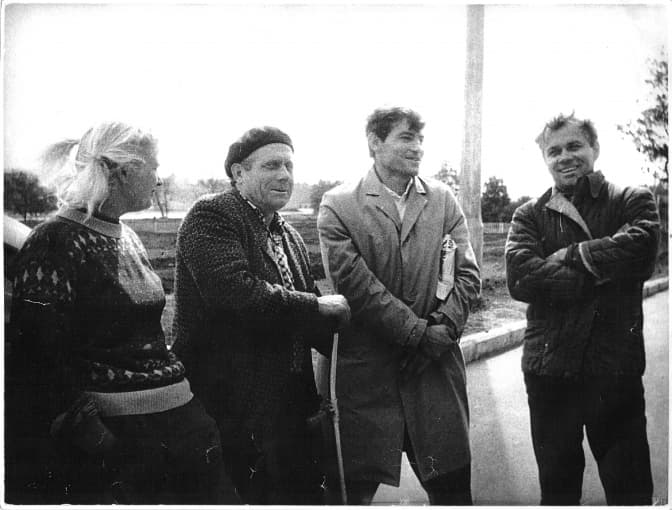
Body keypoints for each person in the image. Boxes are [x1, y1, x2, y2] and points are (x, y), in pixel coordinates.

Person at [6, 121, 238, 505]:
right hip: (128, 439)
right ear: (125, 172)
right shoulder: (54, 241)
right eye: (154, 167)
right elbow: (36, 358)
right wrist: (99, 440)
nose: (159, 179)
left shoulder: (126, 235)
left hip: (182, 427)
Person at [171, 126, 351, 504]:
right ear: (239, 173)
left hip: (289, 408)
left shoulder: (289, 235)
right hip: (230, 407)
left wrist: (359, 330)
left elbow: (312, 318)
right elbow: (235, 293)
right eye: (272, 165)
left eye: (289, 166)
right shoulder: (213, 214)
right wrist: (317, 306)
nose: (285, 175)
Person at [317, 106, 481, 505]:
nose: (418, 147)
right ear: (375, 142)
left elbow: (467, 275)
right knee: (349, 495)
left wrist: (443, 331)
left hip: (434, 374)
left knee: (453, 493)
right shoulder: (339, 204)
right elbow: (356, 286)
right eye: (406, 138)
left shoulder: (443, 200)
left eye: (421, 139)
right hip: (367, 379)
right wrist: (421, 335)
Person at [505, 113, 660, 505]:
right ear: (545, 159)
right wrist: (598, 273)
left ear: (595, 149)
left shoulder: (631, 199)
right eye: (554, 151)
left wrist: (570, 255)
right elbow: (520, 277)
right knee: (558, 490)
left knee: (629, 489)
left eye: (574, 146)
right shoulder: (529, 214)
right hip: (549, 371)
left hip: (614, 368)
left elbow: (641, 250)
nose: (565, 157)